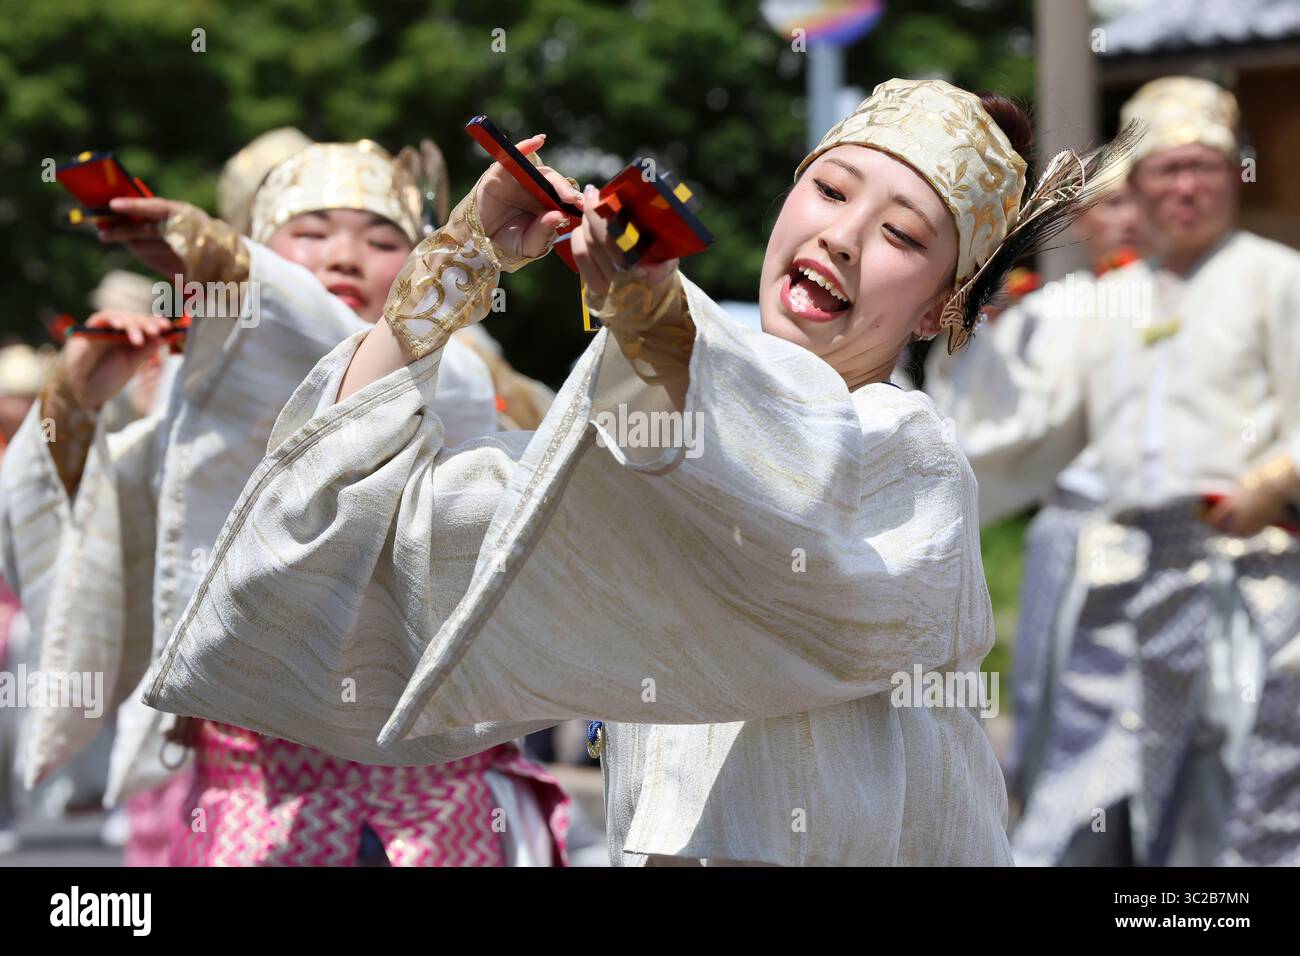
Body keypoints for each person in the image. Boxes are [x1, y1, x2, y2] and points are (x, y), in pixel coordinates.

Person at [146, 79, 1125, 865]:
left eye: (903, 235)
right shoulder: (645, 414)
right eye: (829, 191)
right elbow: (403, 536)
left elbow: (789, 494)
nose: (841, 235)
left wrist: (658, 321)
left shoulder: (908, 457)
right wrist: (456, 263)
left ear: (937, 310)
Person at [0, 132, 568, 865]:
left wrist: (232, 267)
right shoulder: (198, 413)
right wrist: (74, 401)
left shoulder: (465, 374)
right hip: (252, 808)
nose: (344, 256)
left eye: (381, 237)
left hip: (435, 809)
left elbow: (360, 360)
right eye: (310, 233)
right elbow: (57, 543)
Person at [940, 76, 1300, 866]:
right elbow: (1016, 410)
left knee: (1236, 789)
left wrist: (1271, 481)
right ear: (1137, 188)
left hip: (1249, 570)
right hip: (1127, 575)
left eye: (1205, 167)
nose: (1187, 186)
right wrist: (970, 287)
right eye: (1166, 170)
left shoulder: (1276, 277)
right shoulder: (1108, 301)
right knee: (1090, 782)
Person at [924, 155, 1147, 816]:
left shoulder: (1217, 296)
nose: (1127, 217)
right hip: (1081, 533)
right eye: (1109, 204)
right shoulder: (1058, 308)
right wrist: (989, 315)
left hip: (1191, 542)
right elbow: (988, 405)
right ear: (1083, 219)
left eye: (1137, 199)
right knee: (1060, 712)